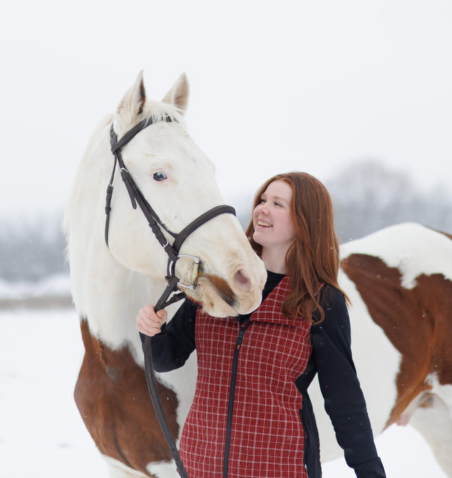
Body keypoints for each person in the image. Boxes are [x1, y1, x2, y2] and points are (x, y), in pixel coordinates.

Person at [137, 172, 386, 478]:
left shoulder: (321, 301)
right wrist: (151, 330)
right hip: (201, 465)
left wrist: (369, 471)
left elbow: (344, 399)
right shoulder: (215, 283)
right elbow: (166, 358)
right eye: (262, 200)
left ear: (305, 221)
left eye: (277, 204)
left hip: (280, 468)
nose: (262, 209)